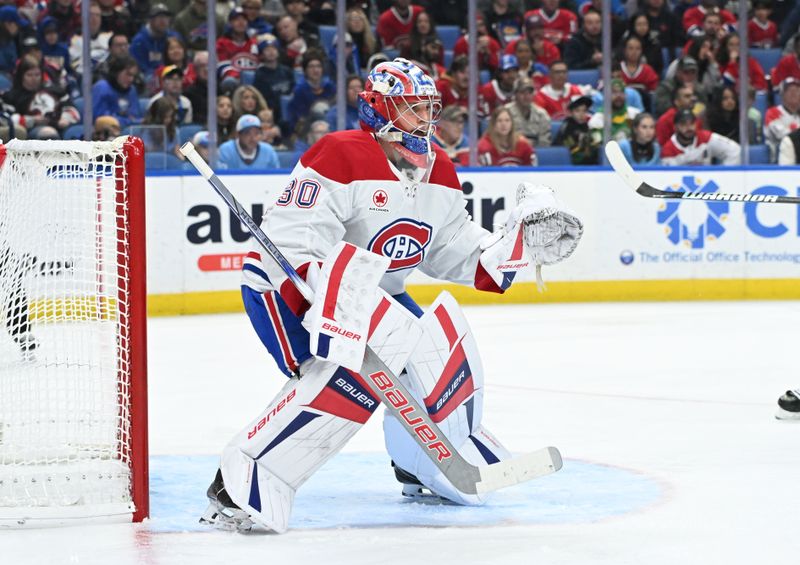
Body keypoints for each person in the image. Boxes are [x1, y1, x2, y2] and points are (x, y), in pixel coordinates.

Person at [199, 57, 582, 534]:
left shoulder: (437, 168)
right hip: (287, 289)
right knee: (348, 379)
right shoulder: (339, 154)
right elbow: (293, 242)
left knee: (439, 349)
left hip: (377, 298)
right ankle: (242, 482)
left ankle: (426, 463)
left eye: (429, 109)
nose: (425, 120)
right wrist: (337, 315)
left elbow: (453, 249)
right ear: (379, 110)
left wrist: (514, 247)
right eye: (411, 109)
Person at [661, 108, 740, 165]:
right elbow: (670, 178)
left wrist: (722, 176)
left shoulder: (706, 138)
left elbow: (735, 150)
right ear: (675, 127)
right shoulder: (668, 150)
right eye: (683, 124)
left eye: (691, 123)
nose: (689, 127)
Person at [253, 33, 295, 127]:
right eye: (267, 49)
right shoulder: (260, 75)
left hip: (289, 109)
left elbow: (294, 90)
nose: (271, 52)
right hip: (271, 113)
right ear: (262, 54)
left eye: (273, 48)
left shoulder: (287, 71)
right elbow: (261, 99)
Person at [91, 55, 142, 128]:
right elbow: (101, 120)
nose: (131, 79)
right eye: (128, 74)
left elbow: (135, 117)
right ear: (116, 72)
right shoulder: (101, 87)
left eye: (133, 76)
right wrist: (128, 121)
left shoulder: (132, 90)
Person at [505, 76, 551, 147]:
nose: (526, 96)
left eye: (530, 93)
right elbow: (500, 139)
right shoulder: (505, 112)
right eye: (522, 92)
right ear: (515, 94)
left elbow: (545, 142)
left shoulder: (542, 114)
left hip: (535, 152)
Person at [555, 94, 598, 165]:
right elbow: (566, 148)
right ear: (570, 113)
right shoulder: (567, 126)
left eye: (584, 111)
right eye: (577, 111)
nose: (581, 114)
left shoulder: (586, 126)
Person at [764, 78, 800, 160]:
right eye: (789, 90)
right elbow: (782, 135)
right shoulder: (773, 112)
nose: (793, 93)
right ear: (782, 94)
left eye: (797, 90)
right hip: (779, 157)